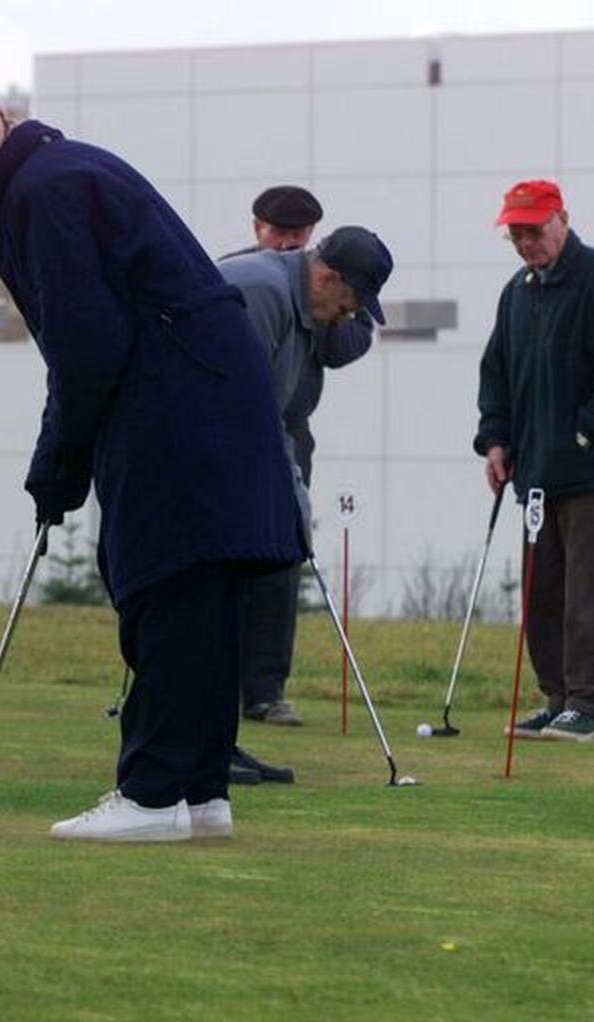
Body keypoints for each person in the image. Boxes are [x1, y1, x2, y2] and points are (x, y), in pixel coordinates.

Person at [0, 79, 305, 842]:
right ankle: (199, 792)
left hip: (173, 398)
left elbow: (87, 347)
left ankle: (152, 793)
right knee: (201, 591)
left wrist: (57, 465)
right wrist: (67, 460)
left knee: (162, 582)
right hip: (202, 391)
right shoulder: (63, 173)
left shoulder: (41, 190)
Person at [475, 179, 594, 744]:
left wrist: (582, 435)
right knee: (543, 591)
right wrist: (496, 439)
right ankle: (558, 698)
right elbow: (497, 374)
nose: (526, 242)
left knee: (590, 590)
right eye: (516, 234)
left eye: (534, 229)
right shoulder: (518, 294)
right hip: (537, 475)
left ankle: (593, 704)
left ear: (563, 219)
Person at [220, 227, 392, 760]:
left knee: (235, 591)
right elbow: (244, 410)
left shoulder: (299, 306)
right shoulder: (261, 293)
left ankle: (215, 742)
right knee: (210, 599)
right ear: (327, 276)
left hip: (235, 449)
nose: (347, 315)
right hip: (193, 453)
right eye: (348, 302)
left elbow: (272, 416)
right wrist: (289, 496)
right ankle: (201, 747)